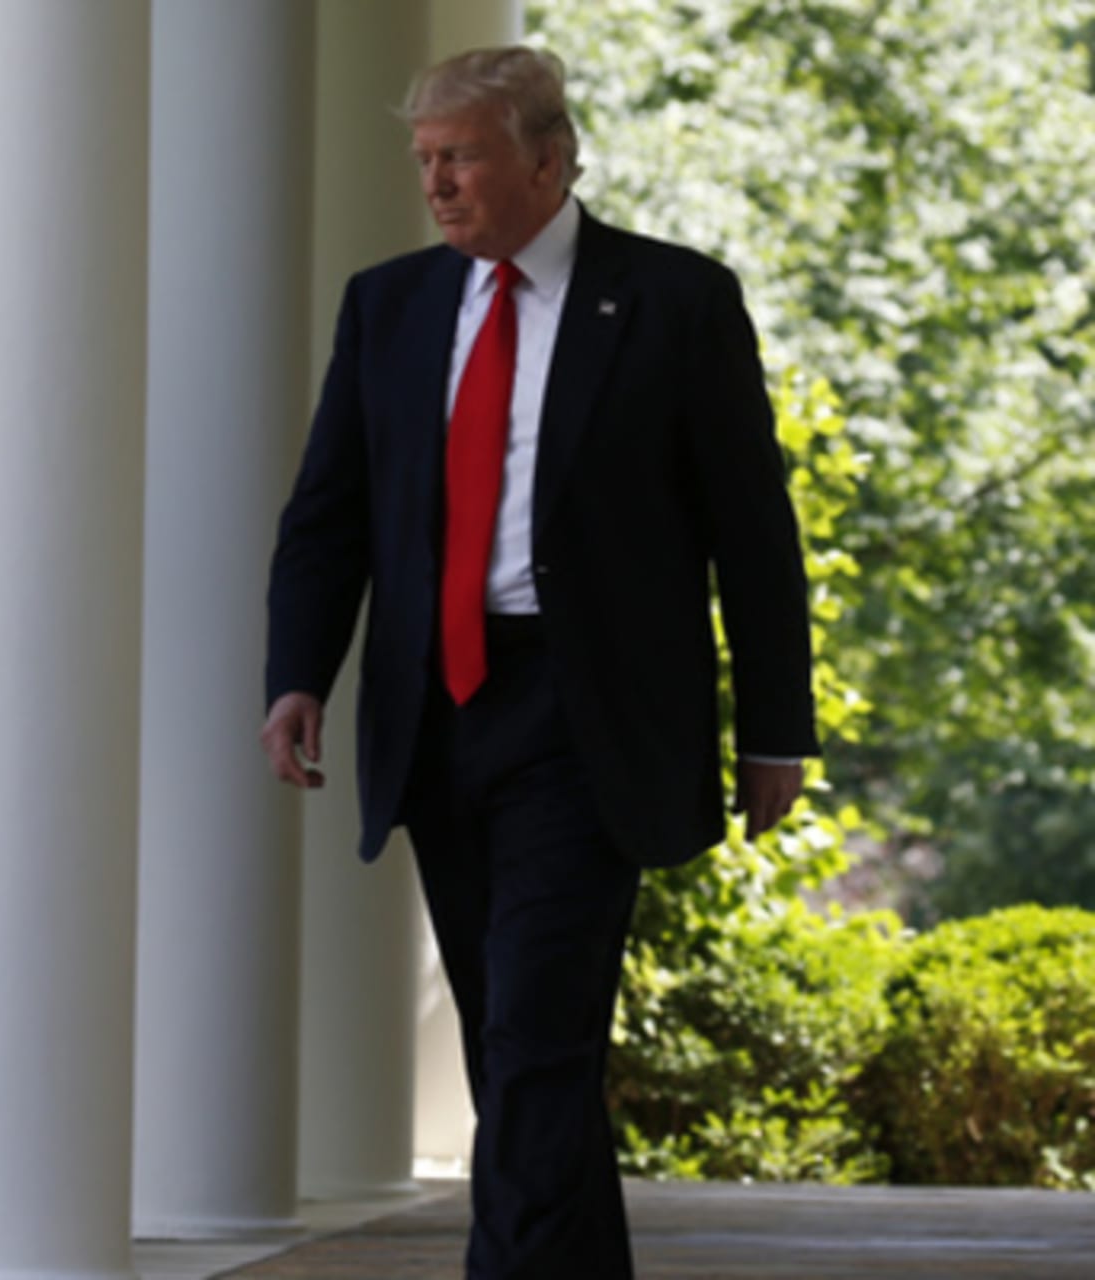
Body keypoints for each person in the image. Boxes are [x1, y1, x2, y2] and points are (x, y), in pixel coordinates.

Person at [260, 46, 819, 1279]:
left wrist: (776, 726)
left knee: (534, 1038)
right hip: (439, 708)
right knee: (513, 1043)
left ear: (549, 161)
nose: (435, 184)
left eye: (460, 157)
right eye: (424, 159)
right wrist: (299, 671)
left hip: (587, 715)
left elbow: (751, 530)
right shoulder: (389, 305)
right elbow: (330, 513)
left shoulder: (673, 300)